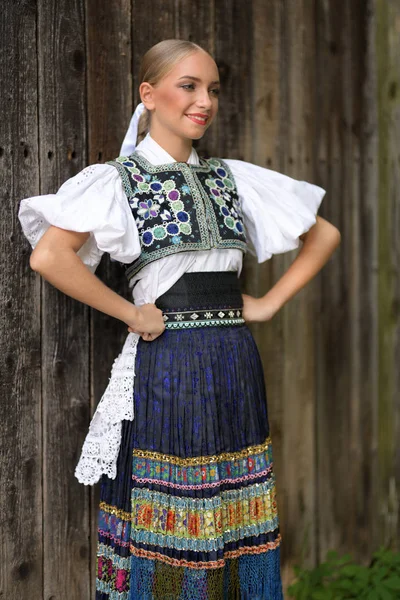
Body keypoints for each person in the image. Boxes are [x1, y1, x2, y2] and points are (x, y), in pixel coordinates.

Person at [18, 39, 340, 600]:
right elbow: (48, 256)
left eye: (212, 89)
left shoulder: (232, 178)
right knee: (175, 516)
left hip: (235, 364)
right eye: (188, 86)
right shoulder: (121, 180)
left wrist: (264, 304)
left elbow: (325, 234)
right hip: (170, 368)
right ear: (150, 95)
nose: (204, 101)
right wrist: (130, 312)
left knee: (232, 514)